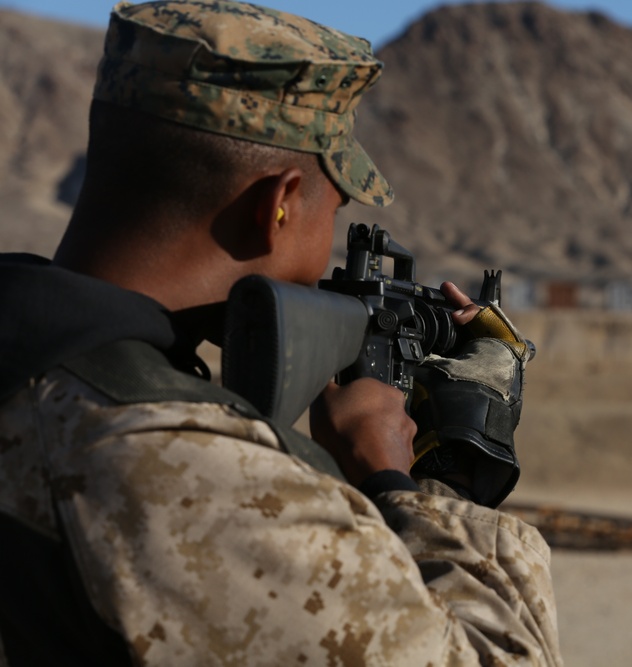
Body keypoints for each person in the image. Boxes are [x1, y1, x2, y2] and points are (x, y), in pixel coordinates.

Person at [0, 1, 562, 665]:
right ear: (279, 204)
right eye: (333, 212)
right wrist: (414, 481)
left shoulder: (37, 365)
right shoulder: (178, 464)